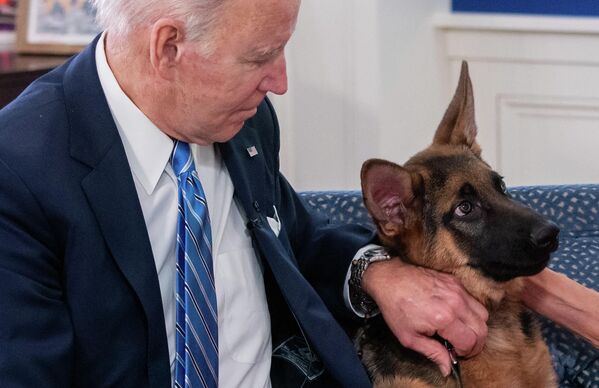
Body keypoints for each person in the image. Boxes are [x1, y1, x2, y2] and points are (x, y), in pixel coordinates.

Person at [0, 0, 595, 387]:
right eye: (260, 57)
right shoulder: (21, 171)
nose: (280, 82)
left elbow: (299, 238)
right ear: (168, 48)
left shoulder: (243, 121)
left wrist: (378, 274)